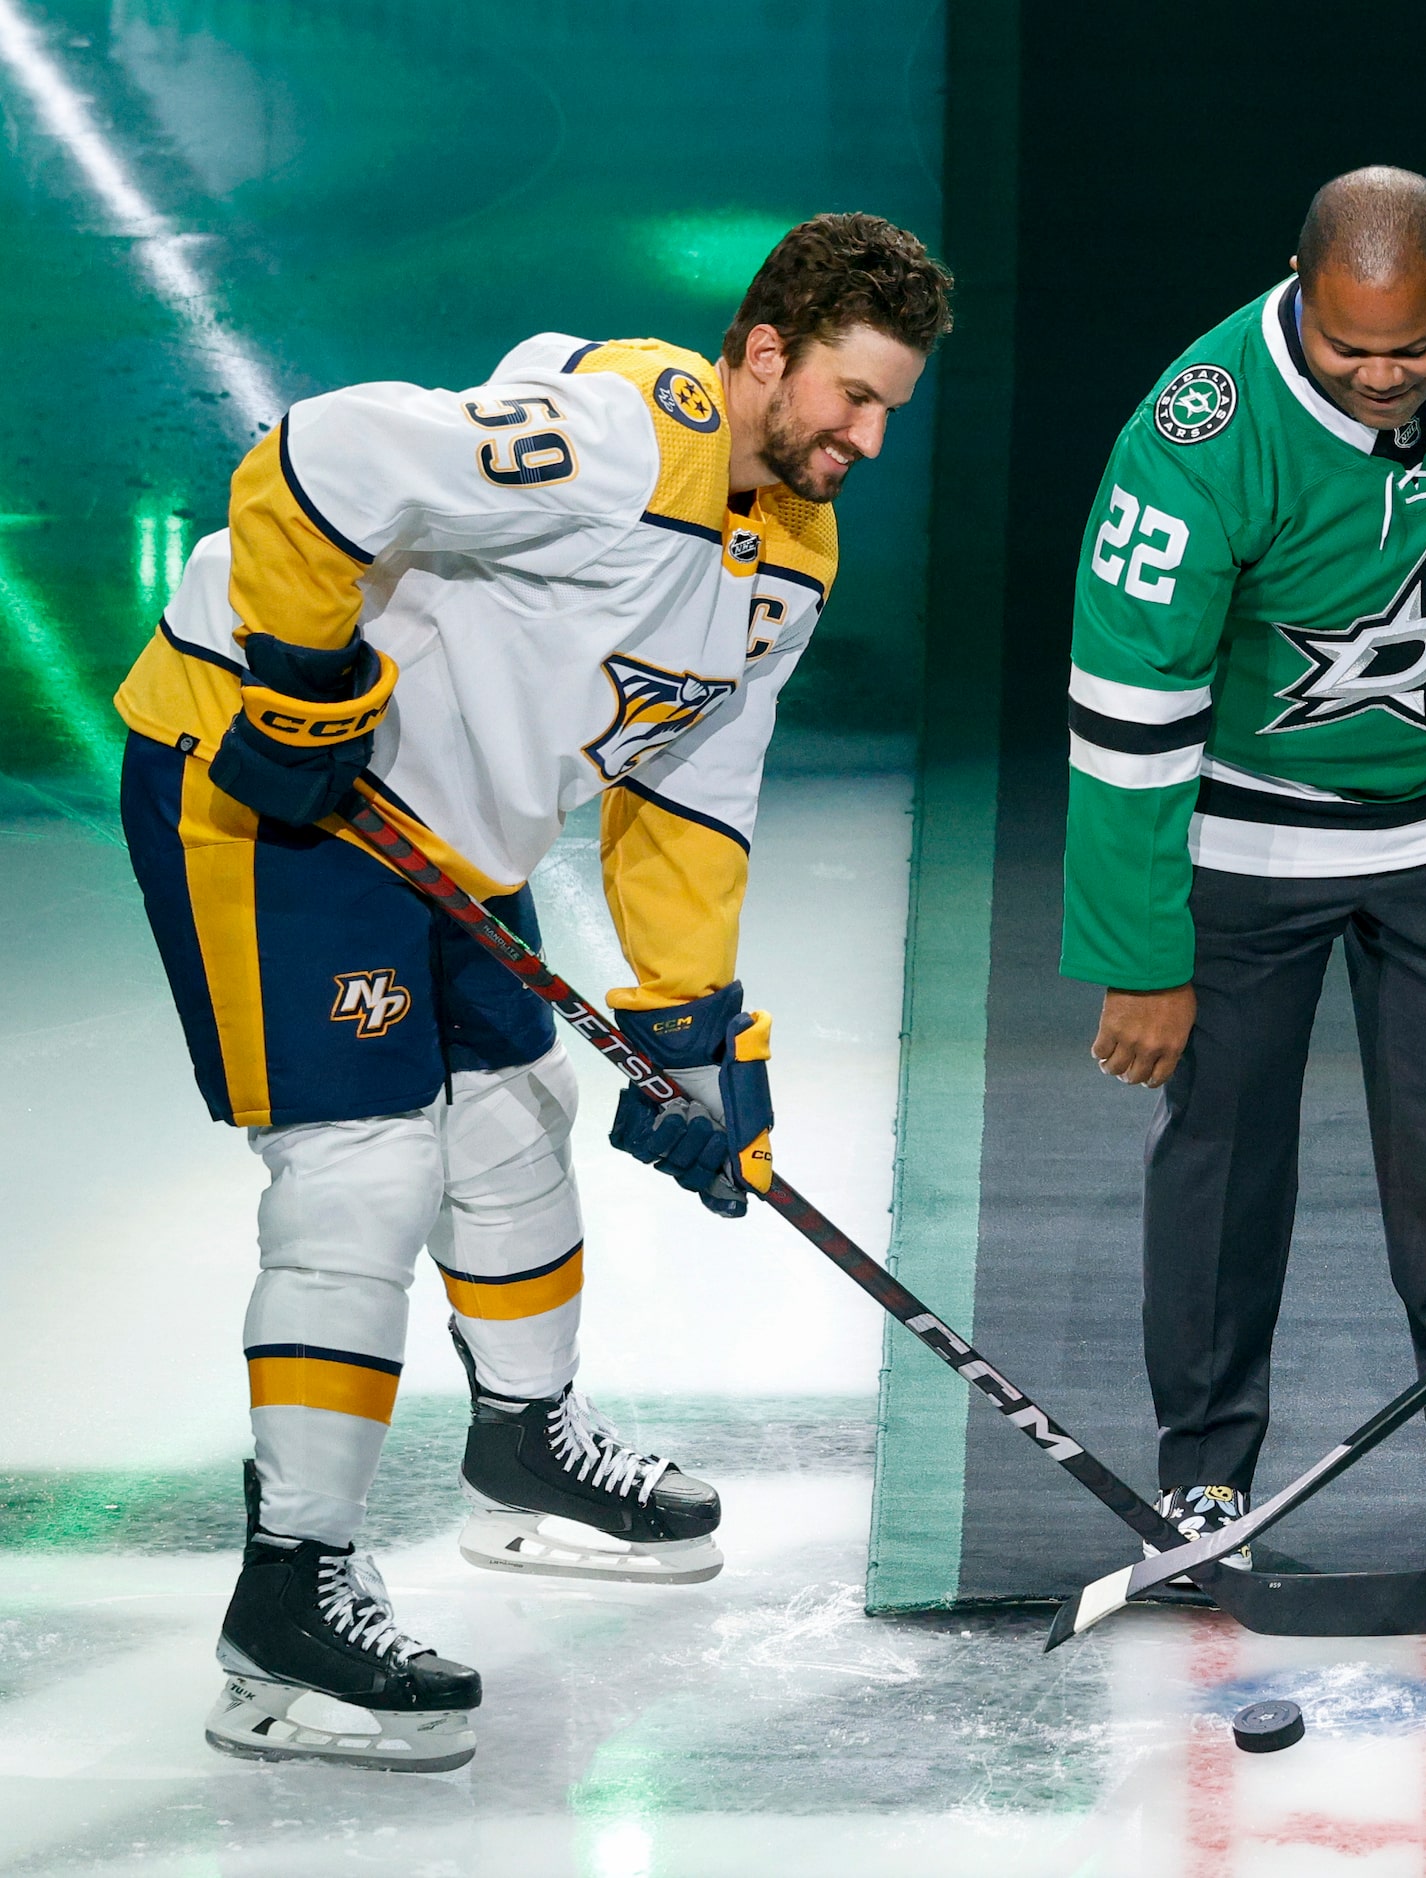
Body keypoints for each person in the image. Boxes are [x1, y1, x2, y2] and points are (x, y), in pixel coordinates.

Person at [112, 214, 950, 1769]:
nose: (869, 434)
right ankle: (287, 1596)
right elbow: (321, 458)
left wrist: (693, 1036)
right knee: (364, 1170)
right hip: (268, 789)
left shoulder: (793, 549)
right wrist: (303, 683)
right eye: (850, 392)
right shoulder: (621, 438)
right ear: (764, 350)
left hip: (437, 833)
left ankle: (523, 1443)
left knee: (512, 1117)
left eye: (892, 406)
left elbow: (690, 783)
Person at [1061, 167, 1426, 1556]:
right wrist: (1141, 957)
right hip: (1248, 833)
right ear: (1295, 291)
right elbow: (1127, 714)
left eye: (1416, 345)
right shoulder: (1198, 433)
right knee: (1223, 1155)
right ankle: (1204, 1477)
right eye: (1348, 347)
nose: (1383, 374)